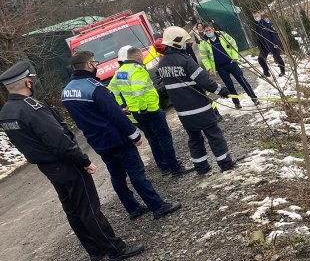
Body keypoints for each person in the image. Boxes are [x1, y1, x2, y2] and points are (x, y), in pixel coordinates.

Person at [0, 61, 144, 261]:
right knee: (89, 207)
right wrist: (83, 160)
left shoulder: (6, 112)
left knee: (73, 209)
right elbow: (58, 140)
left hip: (48, 167)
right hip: (65, 163)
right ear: (27, 82)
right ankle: (115, 249)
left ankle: (94, 251)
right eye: (31, 79)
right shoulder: (32, 108)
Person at [61, 51, 182, 221]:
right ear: (89, 65)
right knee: (136, 172)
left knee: (116, 174)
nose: (96, 66)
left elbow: (93, 113)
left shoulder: (66, 91)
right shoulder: (94, 87)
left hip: (97, 141)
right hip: (116, 138)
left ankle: (132, 208)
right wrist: (134, 134)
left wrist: (117, 110)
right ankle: (157, 206)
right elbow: (113, 115)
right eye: (94, 63)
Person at [158, 26, 236, 174]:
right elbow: (205, 81)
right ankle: (225, 163)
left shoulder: (162, 63)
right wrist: (222, 91)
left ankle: (201, 167)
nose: (189, 44)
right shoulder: (185, 60)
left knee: (194, 139)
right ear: (177, 42)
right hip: (200, 108)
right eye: (186, 42)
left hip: (183, 112)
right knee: (214, 135)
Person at [111, 46, 189, 176]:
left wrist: (122, 106)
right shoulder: (137, 70)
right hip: (149, 110)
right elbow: (138, 92)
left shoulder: (119, 72)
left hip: (136, 113)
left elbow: (112, 90)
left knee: (153, 139)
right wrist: (143, 108)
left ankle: (164, 167)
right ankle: (175, 167)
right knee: (164, 138)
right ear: (138, 56)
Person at [198, 23, 259, 110]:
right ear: (204, 32)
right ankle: (236, 103)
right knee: (229, 86)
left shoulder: (223, 35)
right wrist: (209, 68)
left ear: (213, 29)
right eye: (206, 31)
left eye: (209, 30)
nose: (208, 32)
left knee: (242, 81)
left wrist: (234, 58)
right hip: (220, 67)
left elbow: (233, 44)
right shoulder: (203, 42)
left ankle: (254, 98)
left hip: (231, 63)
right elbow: (204, 58)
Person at [252, 11, 286, 78]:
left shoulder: (266, 23)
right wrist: (259, 45)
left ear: (260, 15)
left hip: (272, 44)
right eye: (254, 16)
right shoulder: (256, 25)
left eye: (257, 16)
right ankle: (266, 73)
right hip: (264, 46)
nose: (256, 17)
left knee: (278, 58)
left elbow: (274, 33)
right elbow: (258, 36)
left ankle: (283, 71)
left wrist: (275, 43)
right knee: (261, 59)